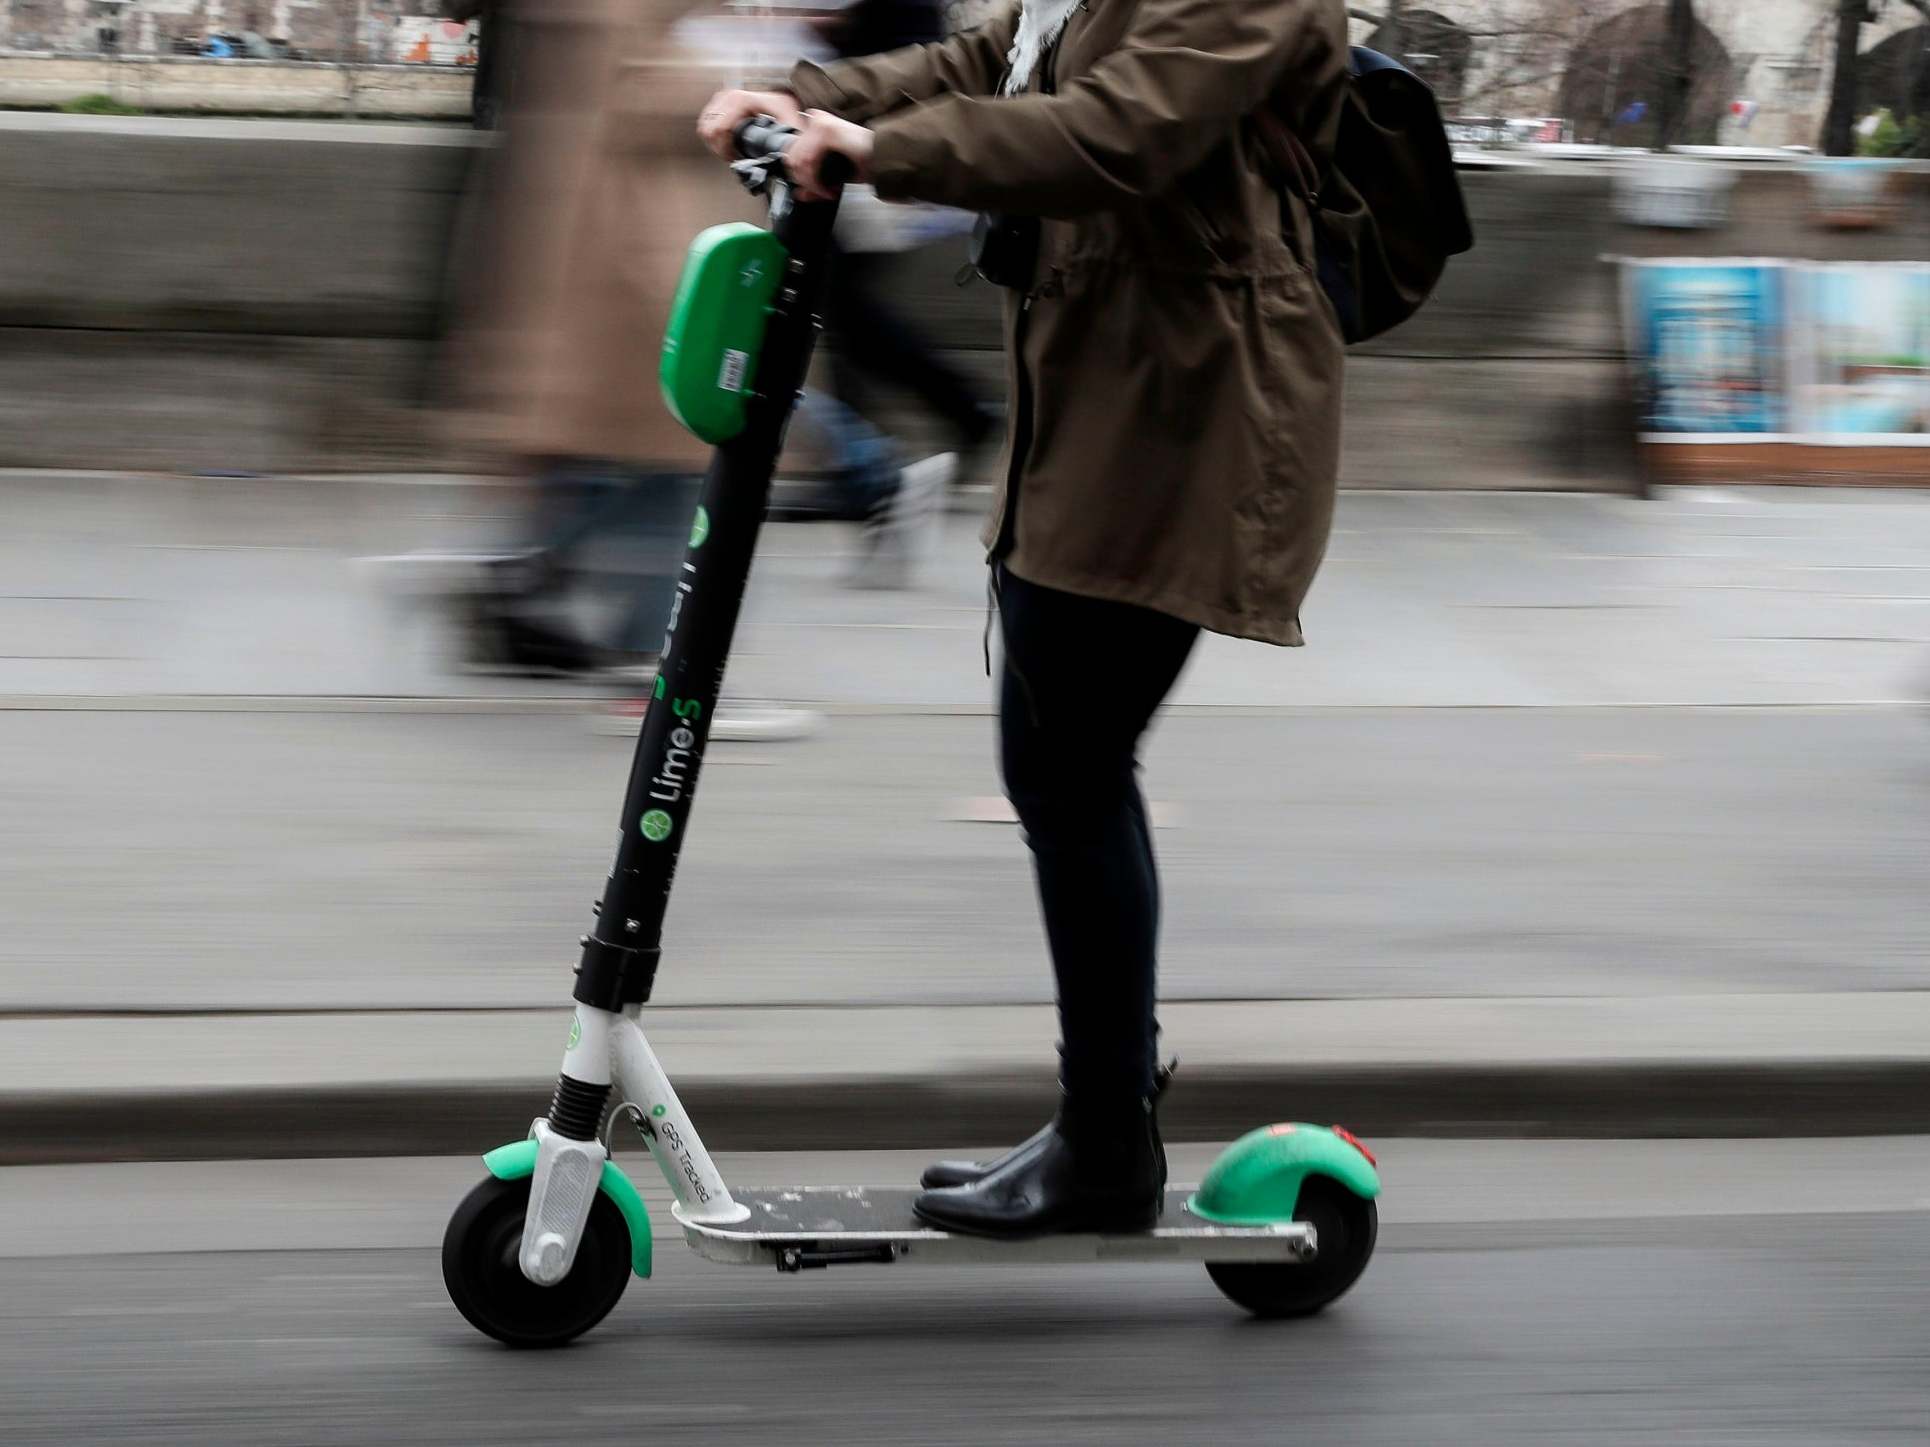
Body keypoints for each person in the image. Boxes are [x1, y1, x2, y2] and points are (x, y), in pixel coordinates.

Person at [701, 0, 1351, 1236]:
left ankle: (1107, 1140)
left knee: (1068, 764)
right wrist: (807, 93)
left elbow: (1114, 133)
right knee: (1061, 764)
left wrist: (872, 148)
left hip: (1193, 419)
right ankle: (1107, 1121)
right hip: (1102, 401)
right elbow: (985, 58)